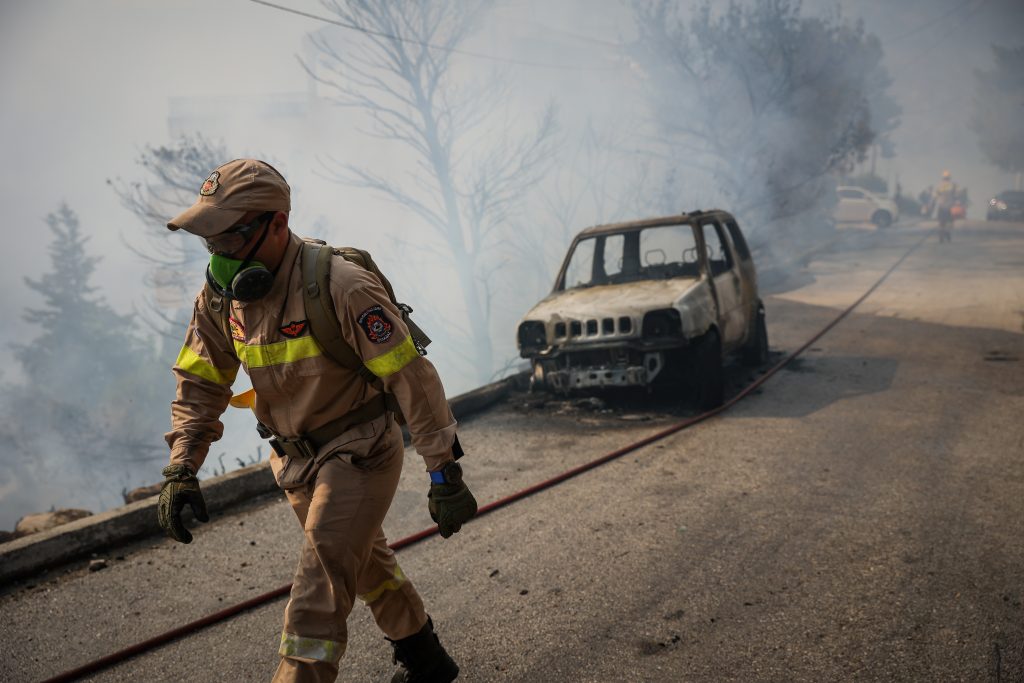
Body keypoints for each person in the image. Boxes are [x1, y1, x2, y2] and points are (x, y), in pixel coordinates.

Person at [156, 158, 477, 683]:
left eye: (230, 238)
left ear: (277, 224)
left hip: (361, 453)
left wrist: (444, 471)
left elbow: (413, 381)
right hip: (294, 463)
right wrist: (182, 466)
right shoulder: (221, 296)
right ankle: (428, 663)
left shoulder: (341, 286)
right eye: (209, 241)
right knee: (366, 564)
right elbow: (201, 382)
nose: (218, 255)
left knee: (317, 594)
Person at [931, 170, 958, 243]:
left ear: (943, 177)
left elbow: (935, 196)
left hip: (941, 206)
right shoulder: (953, 185)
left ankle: (941, 235)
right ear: (949, 178)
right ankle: (947, 233)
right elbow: (956, 195)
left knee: (941, 222)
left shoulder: (939, 185)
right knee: (950, 222)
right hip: (950, 207)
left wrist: (932, 205)